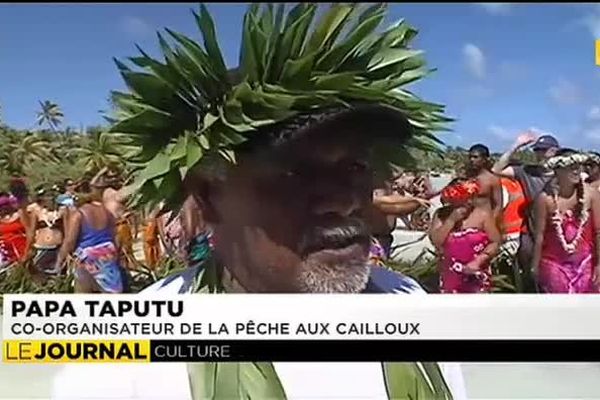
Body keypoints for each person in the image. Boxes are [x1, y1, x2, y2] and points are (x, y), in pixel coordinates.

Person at [52, 4, 466, 399]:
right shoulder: (123, 364)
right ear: (210, 198)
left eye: (355, 167)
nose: (342, 201)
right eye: (292, 173)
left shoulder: (409, 304)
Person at [491, 132, 559, 291]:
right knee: (530, 274)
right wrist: (516, 145)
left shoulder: (564, 174)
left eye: (544, 150)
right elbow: (495, 170)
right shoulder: (527, 171)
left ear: (555, 151)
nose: (540, 154)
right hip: (531, 232)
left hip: (556, 232)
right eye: (537, 150)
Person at [531, 149, 600, 293]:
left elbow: (598, 232)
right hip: (554, 265)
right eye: (570, 167)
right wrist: (535, 266)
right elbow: (539, 236)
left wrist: (599, 264)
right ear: (557, 171)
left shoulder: (591, 194)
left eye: (578, 166)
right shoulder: (545, 199)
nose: (576, 171)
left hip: (586, 264)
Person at [429, 178, 501, 293]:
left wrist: (480, 260)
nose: (468, 201)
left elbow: (495, 241)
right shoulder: (441, 215)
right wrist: (451, 220)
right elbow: (436, 241)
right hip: (450, 272)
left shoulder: (482, 214)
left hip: (477, 272)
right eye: (463, 198)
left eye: (471, 197)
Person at [54, 181, 124, 293]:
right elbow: (115, 236)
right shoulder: (107, 212)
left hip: (88, 258)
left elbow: (70, 241)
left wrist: (59, 262)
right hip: (108, 253)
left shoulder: (78, 214)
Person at [25, 186, 66, 274]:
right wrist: (28, 249)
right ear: (42, 198)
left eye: (52, 196)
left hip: (58, 248)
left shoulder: (63, 210)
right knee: (39, 273)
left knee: (58, 274)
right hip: (41, 247)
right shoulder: (37, 211)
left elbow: (68, 231)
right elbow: (31, 232)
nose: (50, 198)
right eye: (47, 196)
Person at [466, 144, 503, 223]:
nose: (472, 160)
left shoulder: (492, 179)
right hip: (466, 222)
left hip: (484, 222)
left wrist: (490, 224)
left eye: (475, 157)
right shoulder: (467, 178)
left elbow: (498, 205)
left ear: (484, 159)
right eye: (470, 157)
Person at [0, 192, 28, 270]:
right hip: (4, 248)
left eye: (5, 206)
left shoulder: (19, 215)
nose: (3, 208)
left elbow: (28, 230)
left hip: (20, 245)